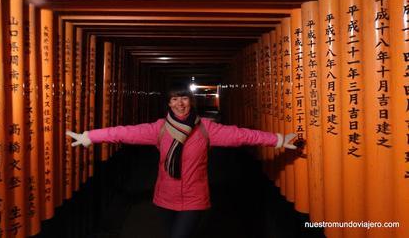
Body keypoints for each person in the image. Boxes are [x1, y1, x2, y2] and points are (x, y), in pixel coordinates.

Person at [66, 87, 298, 238]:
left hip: (194, 198)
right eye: (174, 99)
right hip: (165, 198)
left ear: (191, 101)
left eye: (184, 98)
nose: (179, 103)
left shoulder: (207, 129)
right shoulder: (159, 129)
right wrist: (89, 136)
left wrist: (277, 139)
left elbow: (242, 135)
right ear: (168, 104)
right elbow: (124, 132)